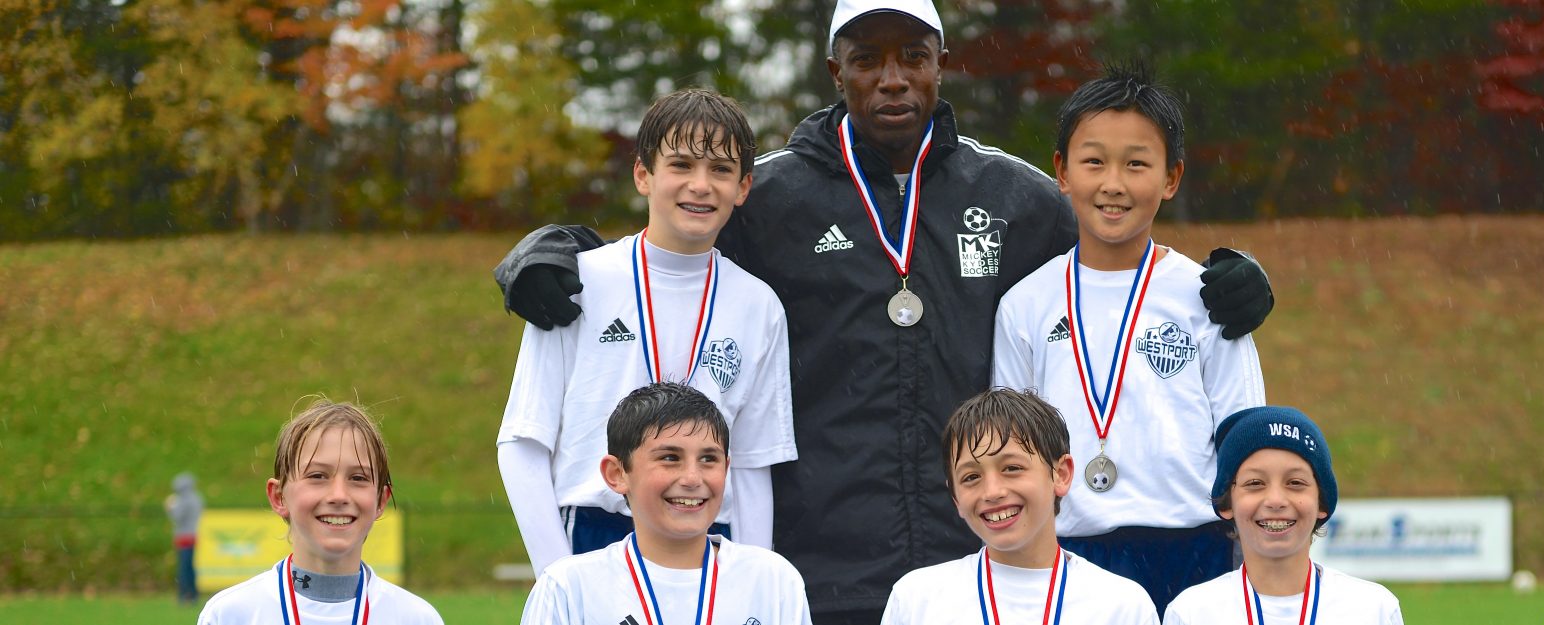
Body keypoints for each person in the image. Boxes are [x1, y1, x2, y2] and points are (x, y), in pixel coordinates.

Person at [489, 2, 1275, 620]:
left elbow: (1116, 239)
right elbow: (674, 239)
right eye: (868, 59)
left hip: (969, 563)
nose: (892, 78)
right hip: (821, 564)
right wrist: (553, 249)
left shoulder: (1015, 195)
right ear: (836, 70)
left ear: (942, 64)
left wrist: (1235, 277)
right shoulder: (774, 194)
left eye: (913, 57)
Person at [991, 64, 1263, 612]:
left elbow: (1244, 433)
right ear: (1062, 172)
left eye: (1136, 164)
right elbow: (1011, 447)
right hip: (1068, 551)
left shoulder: (1208, 296)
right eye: (1094, 161)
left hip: (1195, 548)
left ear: (1171, 177)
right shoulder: (1025, 304)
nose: (1113, 183)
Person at [497, 88, 796, 577]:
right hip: (592, 535)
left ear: (743, 187)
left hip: (708, 539)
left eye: (720, 170)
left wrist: (754, 577)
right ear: (643, 175)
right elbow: (523, 441)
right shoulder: (576, 282)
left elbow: (752, 461)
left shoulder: (758, 306)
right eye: (680, 165)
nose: (700, 185)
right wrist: (556, 573)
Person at [520, 382, 812, 624]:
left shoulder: (773, 581)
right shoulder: (568, 588)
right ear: (617, 474)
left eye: (708, 459)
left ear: (726, 468)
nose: (692, 478)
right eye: (670, 458)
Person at [882, 388, 1157, 625]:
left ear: (1060, 474)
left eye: (1012, 468)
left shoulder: (1122, 606)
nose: (993, 492)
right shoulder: (916, 599)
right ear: (955, 497)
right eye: (971, 477)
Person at [198, 399, 443, 624]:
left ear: (380, 500)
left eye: (358, 478)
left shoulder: (417, 619)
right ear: (279, 496)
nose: (339, 495)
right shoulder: (229, 615)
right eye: (317, 476)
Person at [1163, 406, 1402, 624]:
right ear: (1227, 502)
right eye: (1255, 483)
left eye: (1295, 482)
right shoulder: (1192, 613)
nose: (1276, 500)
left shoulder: (1374, 609)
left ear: (1322, 501)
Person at [167, 471, 204, 605]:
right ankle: (193, 594)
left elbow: (177, 517)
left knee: (183, 568)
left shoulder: (183, 500)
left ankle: (183, 595)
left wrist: (170, 507)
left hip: (184, 537)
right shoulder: (197, 498)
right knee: (190, 567)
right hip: (193, 535)